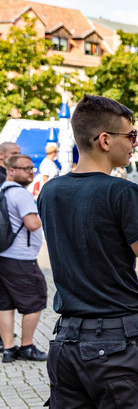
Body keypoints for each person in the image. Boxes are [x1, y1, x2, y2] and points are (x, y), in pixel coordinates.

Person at [36, 94, 138, 407]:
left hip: (67, 341)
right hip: (121, 344)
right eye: (130, 135)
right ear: (104, 139)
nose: (134, 143)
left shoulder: (50, 192)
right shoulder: (122, 191)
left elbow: (95, 231)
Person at [0, 154, 48, 363]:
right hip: (21, 257)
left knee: (5, 304)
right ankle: (27, 347)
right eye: (25, 169)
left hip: (3, 255)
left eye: (31, 168)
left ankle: (8, 349)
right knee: (36, 301)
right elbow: (32, 224)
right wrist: (43, 215)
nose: (31, 172)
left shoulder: (2, 190)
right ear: (11, 170)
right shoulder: (20, 194)